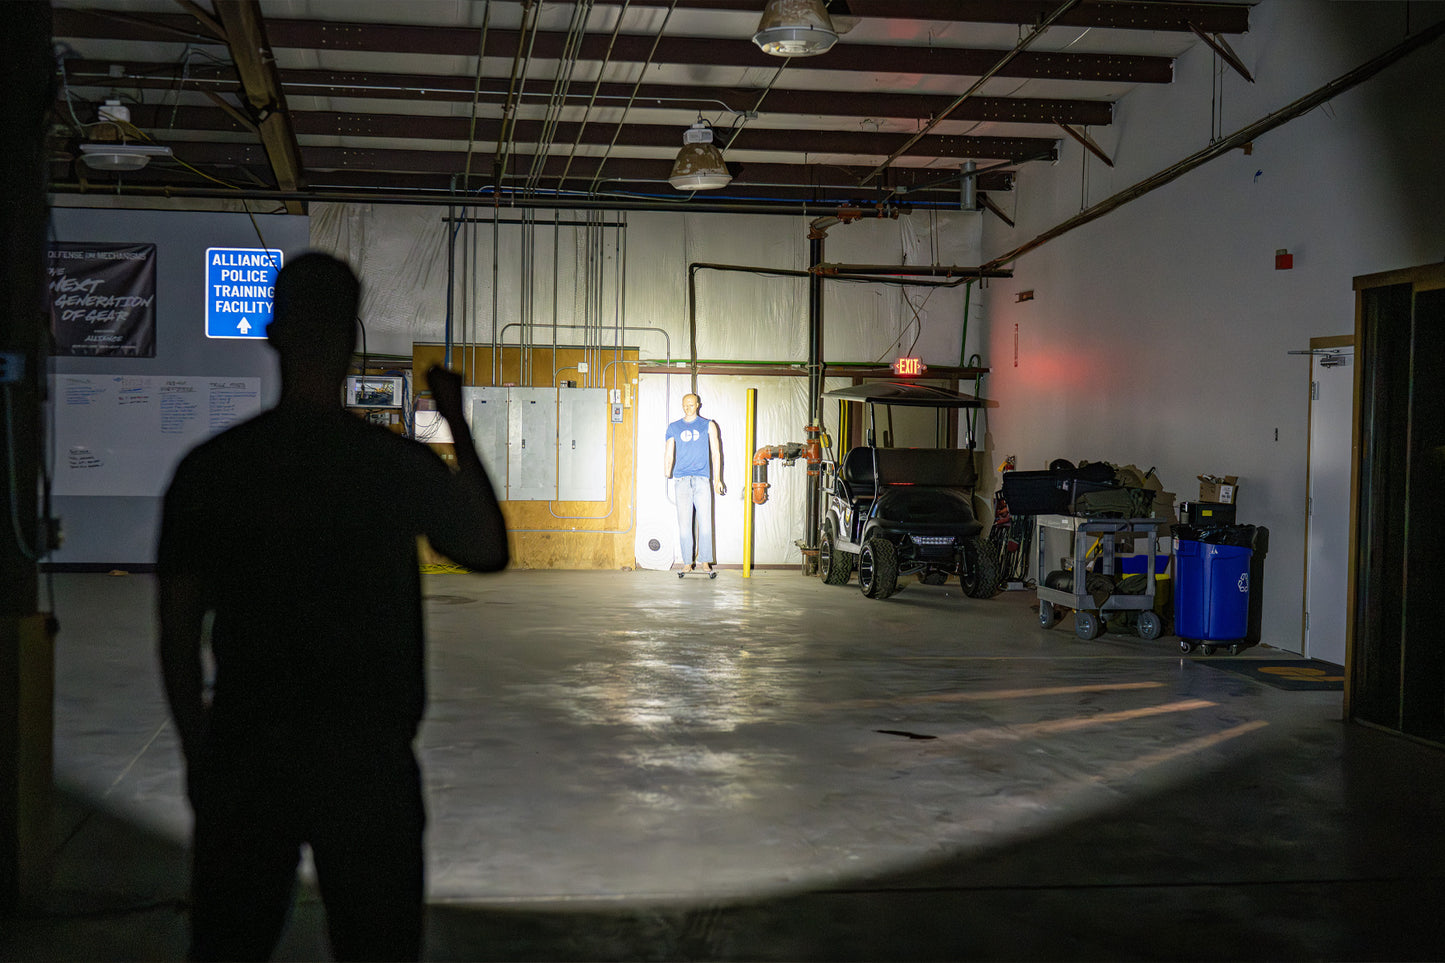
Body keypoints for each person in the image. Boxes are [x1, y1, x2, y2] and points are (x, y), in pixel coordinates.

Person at [157, 252, 508, 961]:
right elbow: (487, 547)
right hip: (367, 761)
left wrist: (204, 760)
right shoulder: (389, 466)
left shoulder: (213, 470)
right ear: (350, 339)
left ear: (271, 334)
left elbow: (174, 635)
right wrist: (456, 422)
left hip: (249, 754)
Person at [663, 392, 724, 574]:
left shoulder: (708, 425)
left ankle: (705, 561)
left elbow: (716, 453)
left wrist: (717, 479)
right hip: (681, 480)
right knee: (684, 524)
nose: (687, 407)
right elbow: (669, 451)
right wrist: (667, 470)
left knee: (705, 522)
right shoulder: (674, 427)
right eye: (684, 405)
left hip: (702, 480)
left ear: (698, 404)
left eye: (691, 404)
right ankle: (688, 562)